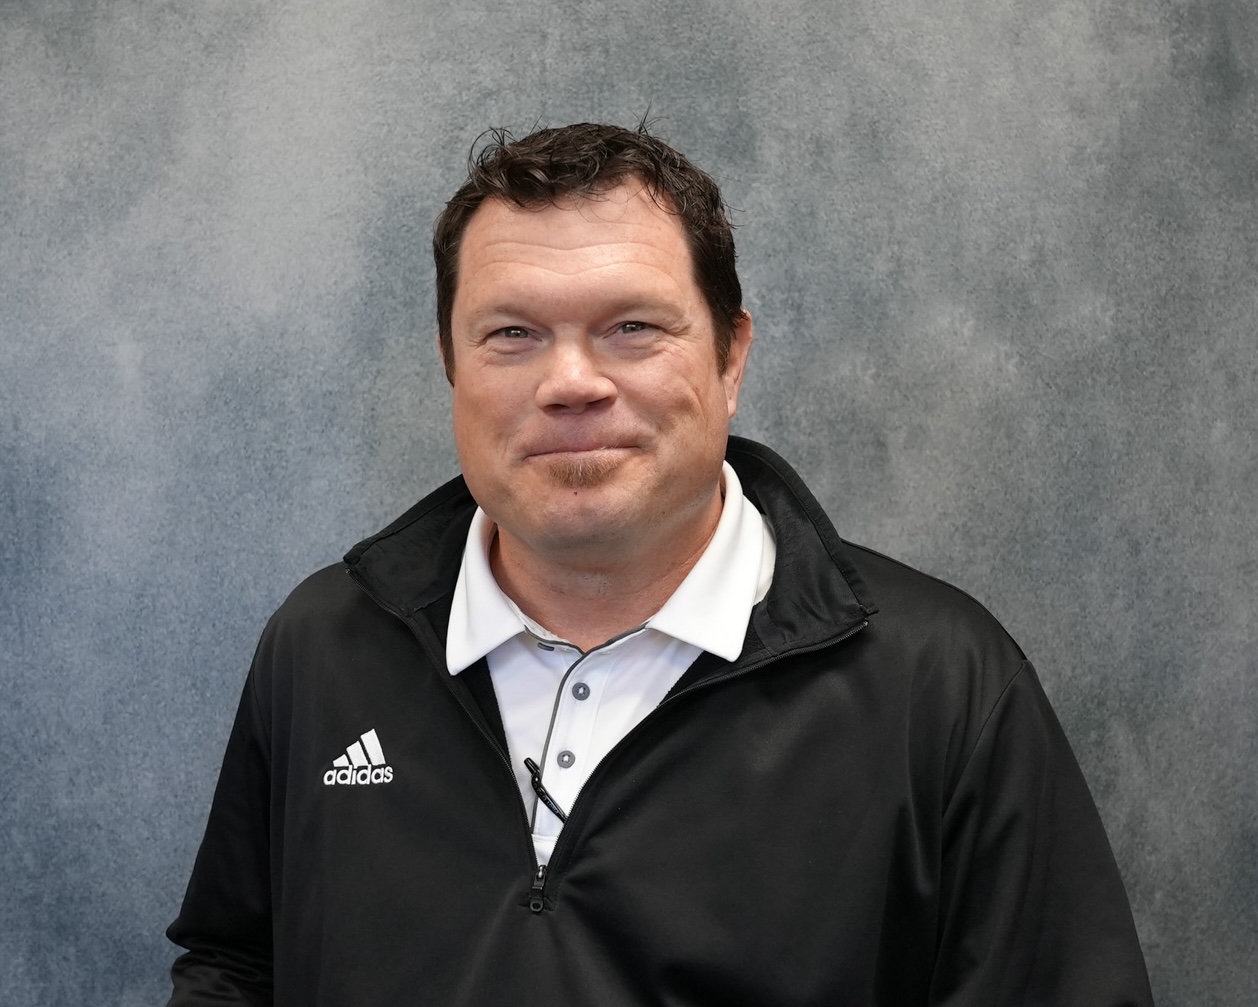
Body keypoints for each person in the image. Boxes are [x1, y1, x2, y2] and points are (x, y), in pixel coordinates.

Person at [167, 122, 1154, 1005]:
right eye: (511, 334)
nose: (571, 382)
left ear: (731, 357)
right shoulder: (325, 646)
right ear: (450, 365)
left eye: (632, 328)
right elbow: (236, 965)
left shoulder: (941, 685)